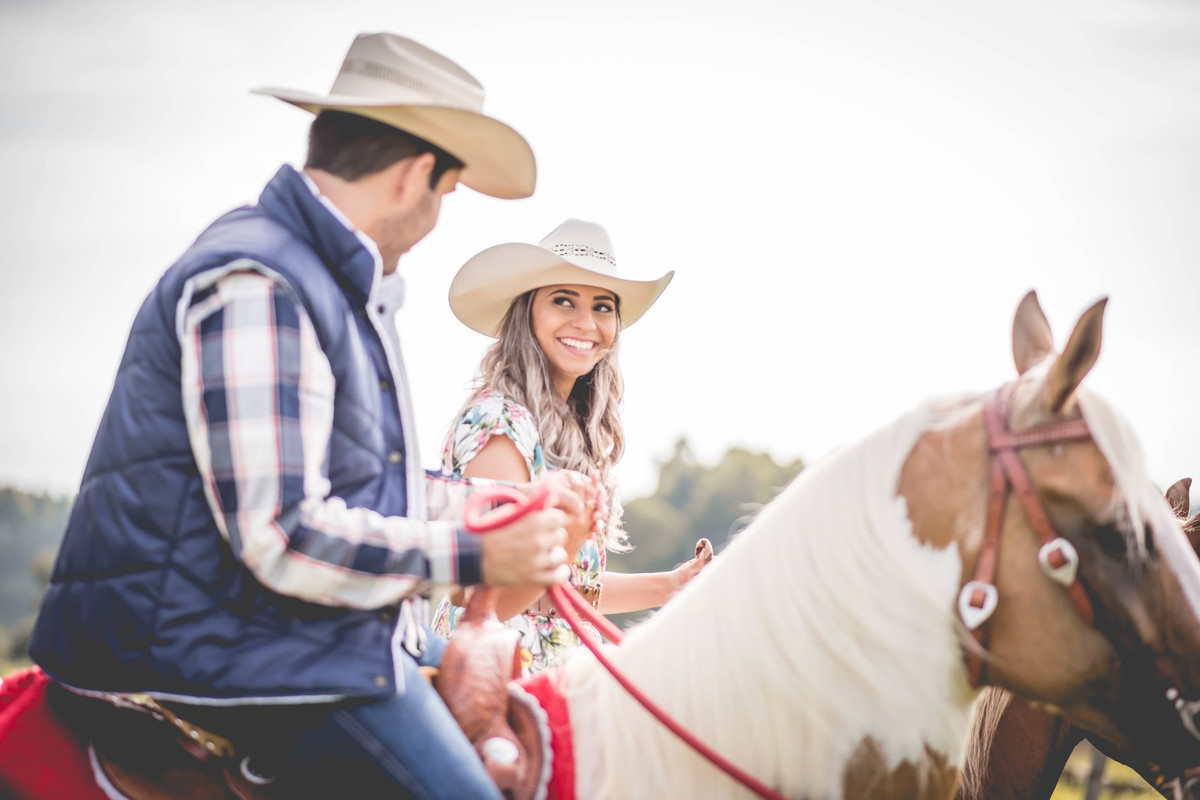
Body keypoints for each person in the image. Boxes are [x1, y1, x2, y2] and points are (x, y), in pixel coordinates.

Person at [28, 33, 593, 799]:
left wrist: (501, 507)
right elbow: (285, 533)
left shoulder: (308, 278)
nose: (435, 218)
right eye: (447, 194)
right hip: (219, 660)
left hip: (260, 642)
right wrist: (473, 554)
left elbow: (363, 487)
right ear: (413, 176)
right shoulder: (260, 283)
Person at [432, 218, 713, 676]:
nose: (586, 323)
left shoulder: (571, 430)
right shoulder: (499, 422)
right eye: (564, 300)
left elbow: (563, 590)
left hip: (562, 678)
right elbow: (489, 599)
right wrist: (570, 541)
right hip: (499, 684)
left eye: (603, 307)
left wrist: (673, 585)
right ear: (528, 313)